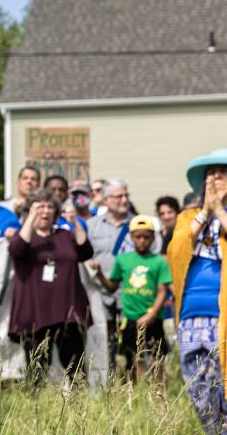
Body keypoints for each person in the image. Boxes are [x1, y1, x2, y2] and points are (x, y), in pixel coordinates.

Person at [168, 148, 227, 434]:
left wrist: (220, 212)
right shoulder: (188, 216)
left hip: (223, 317)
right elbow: (176, 249)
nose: (216, 178)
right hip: (191, 316)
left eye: (222, 173)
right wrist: (205, 211)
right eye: (211, 174)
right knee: (199, 389)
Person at [8, 188, 92, 385]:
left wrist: (75, 223)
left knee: (76, 368)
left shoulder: (65, 235)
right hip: (35, 312)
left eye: (49, 207)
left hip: (68, 312)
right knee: (37, 369)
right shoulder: (24, 236)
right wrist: (30, 217)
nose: (45, 211)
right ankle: (36, 409)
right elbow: (17, 250)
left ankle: (81, 409)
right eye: (40, 207)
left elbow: (86, 251)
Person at [86, 178, 160, 363]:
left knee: (133, 345)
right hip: (100, 293)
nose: (124, 200)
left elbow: (154, 256)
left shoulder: (139, 225)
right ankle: (107, 382)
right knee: (103, 341)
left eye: (126, 195)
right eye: (118, 196)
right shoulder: (92, 225)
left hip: (131, 294)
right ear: (106, 199)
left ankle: (134, 384)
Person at [92, 215, 171, 383]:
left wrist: (151, 315)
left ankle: (159, 394)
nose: (142, 241)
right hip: (130, 319)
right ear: (131, 237)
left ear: (153, 238)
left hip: (152, 318)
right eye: (138, 236)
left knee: (157, 358)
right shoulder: (123, 260)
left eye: (146, 237)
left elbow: (162, 291)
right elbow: (112, 286)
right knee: (132, 358)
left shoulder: (158, 261)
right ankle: (134, 394)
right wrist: (99, 273)